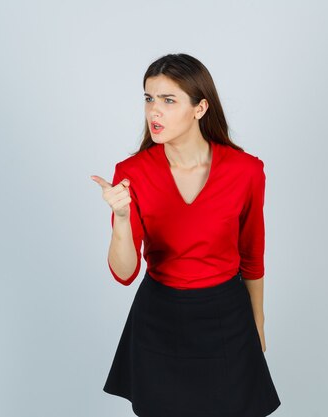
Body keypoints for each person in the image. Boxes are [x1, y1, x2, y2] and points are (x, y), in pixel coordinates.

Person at [90, 53, 281, 417]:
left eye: (168, 100)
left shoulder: (246, 171)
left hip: (226, 317)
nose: (154, 112)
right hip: (158, 318)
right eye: (149, 99)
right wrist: (120, 217)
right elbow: (124, 272)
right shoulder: (132, 172)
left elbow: (252, 255)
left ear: (200, 107)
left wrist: (258, 322)